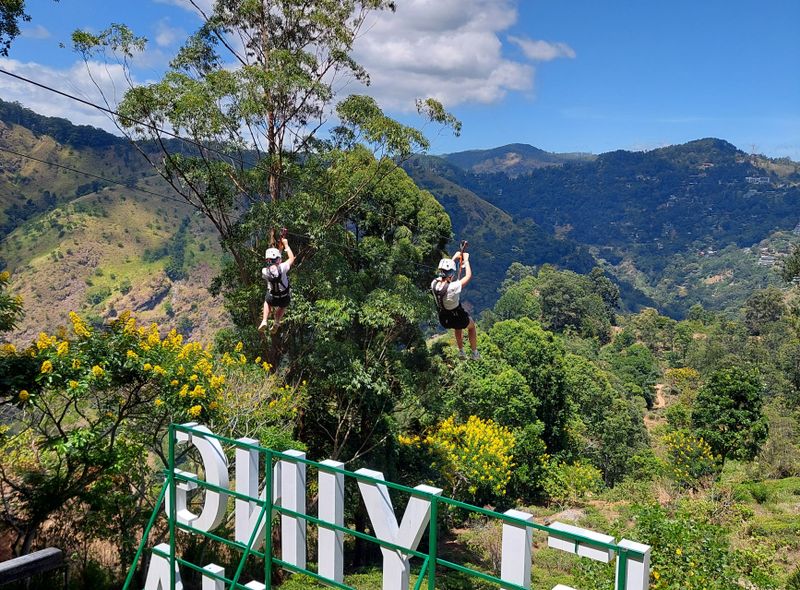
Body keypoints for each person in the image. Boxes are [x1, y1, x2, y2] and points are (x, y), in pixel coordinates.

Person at [432, 251, 479, 360]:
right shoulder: (453, 287)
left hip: (445, 319)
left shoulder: (433, 284)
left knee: (458, 327)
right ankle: (475, 353)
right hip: (458, 316)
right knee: (471, 327)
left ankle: (461, 351)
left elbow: (444, 275)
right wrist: (466, 260)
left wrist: (453, 259)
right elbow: (468, 276)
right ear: (451, 274)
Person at [258, 235, 295, 334]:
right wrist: (286, 245)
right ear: (278, 259)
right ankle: (277, 322)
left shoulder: (264, 271)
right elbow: (291, 258)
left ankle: (264, 320)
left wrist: (279, 250)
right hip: (284, 297)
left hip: (272, 297)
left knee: (267, 302)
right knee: (283, 306)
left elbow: (274, 267)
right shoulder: (283, 267)